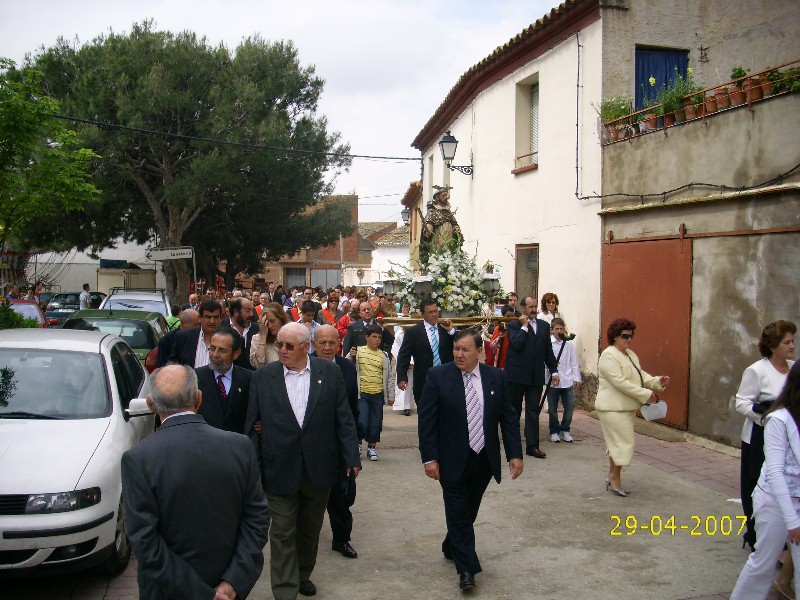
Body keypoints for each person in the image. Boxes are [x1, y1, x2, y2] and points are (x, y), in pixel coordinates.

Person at [121, 364, 269, 600]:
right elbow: (257, 519)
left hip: (168, 591)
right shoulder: (240, 447)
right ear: (199, 399)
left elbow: (145, 541)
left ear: (150, 404)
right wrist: (232, 583)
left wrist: (201, 594)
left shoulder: (138, 459)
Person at [245, 322, 361, 600]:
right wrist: (254, 468)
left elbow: (343, 417)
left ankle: (302, 573)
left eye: (288, 346)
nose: (282, 350)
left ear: (305, 348)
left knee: (309, 529)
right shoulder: (263, 378)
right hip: (278, 467)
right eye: (279, 345)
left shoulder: (329, 373)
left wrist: (352, 457)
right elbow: (251, 427)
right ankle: (285, 590)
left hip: (319, 466)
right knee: (283, 532)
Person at [418, 329, 523, 591]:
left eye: (465, 349)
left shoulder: (496, 378)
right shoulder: (438, 376)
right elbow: (427, 422)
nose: (459, 354)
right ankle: (467, 569)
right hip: (450, 459)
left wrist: (514, 454)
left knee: (467, 511)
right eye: (456, 348)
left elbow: (508, 418)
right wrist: (429, 457)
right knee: (458, 511)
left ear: (480, 352)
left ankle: (450, 544)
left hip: (483, 460)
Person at [731, 361, 800, 600]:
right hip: (775, 500)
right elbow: (775, 472)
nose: (791, 346)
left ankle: (783, 584)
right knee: (763, 562)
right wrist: (792, 521)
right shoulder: (779, 420)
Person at [736, 320, 797, 551]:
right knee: (757, 485)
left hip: (790, 437)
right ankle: (756, 536)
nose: (792, 346)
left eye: (793, 341)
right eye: (786, 342)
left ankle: (784, 540)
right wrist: (766, 417)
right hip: (760, 436)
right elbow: (742, 403)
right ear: (773, 346)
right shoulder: (757, 370)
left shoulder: (794, 369)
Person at [596, 318, 669, 496]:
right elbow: (619, 382)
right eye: (624, 336)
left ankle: (612, 475)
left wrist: (656, 381)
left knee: (618, 444)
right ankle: (615, 476)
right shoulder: (608, 355)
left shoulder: (630, 354)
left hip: (625, 408)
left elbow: (639, 374)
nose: (628, 339)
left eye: (631, 336)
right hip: (612, 408)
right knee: (624, 444)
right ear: (615, 336)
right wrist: (645, 394)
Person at [315, 325, 362, 560]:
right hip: (312, 445)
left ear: (339, 345)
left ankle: (341, 539)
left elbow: (353, 410)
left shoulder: (347, 368)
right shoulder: (304, 367)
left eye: (331, 343)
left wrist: (354, 449)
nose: (327, 347)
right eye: (322, 342)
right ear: (313, 345)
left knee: (341, 497)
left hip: (340, 443)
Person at [504, 296, 559, 459]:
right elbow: (517, 344)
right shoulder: (514, 325)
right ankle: (512, 444)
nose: (533, 310)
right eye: (530, 307)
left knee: (533, 411)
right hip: (516, 376)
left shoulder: (543, 326)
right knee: (513, 411)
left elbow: (547, 350)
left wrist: (554, 371)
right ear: (523, 308)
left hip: (535, 376)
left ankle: (532, 446)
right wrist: (525, 326)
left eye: (535, 307)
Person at [396, 298, 455, 406]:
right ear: (422, 314)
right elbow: (404, 355)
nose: (434, 315)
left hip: (446, 381)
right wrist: (401, 377)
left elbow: (458, 345)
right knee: (426, 417)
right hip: (424, 383)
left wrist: (451, 331)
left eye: (436, 311)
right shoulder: (414, 332)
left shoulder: (445, 330)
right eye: (430, 312)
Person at [195, 328, 253, 434]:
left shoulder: (249, 379)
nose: (215, 355)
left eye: (222, 350)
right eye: (212, 349)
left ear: (236, 353)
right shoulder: (195, 378)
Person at [352, 324, 394, 461]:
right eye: (374, 337)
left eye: (379, 337)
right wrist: (351, 356)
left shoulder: (383, 356)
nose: (377, 340)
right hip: (362, 393)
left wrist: (391, 395)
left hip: (377, 393)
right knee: (362, 420)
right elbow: (347, 364)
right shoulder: (358, 352)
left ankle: (372, 447)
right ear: (367, 337)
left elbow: (389, 377)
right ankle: (358, 443)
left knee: (376, 422)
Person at [546, 318, 581, 444]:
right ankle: (554, 431)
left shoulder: (568, 343)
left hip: (567, 379)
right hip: (553, 380)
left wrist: (576, 377)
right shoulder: (548, 343)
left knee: (569, 406)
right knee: (552, 408)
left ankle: (565, 429)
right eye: (557, 329)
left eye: (561, 329)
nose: (559, 331)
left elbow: (573, 361)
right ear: (552, 330)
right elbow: (546, 362)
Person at [170, 299, 223, 368]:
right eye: (208, 317)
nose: (212, 321)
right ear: (199, 318)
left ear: (220, 318)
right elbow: (173, 365)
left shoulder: (229, 340)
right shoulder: (184, 337)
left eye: (215, 317)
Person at [250, 302, 289, 369]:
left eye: (272, 321)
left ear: (281, 320)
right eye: (266, 322)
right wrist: (263, 337)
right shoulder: (257, 338)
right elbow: (258, 364)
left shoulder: (290, 336)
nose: (269, 326)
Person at [223, 297, 257, 370]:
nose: (252, 314)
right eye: (248, 311)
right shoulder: (221, 327)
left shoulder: (258, 329)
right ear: (236, 312)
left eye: (252, 310)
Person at [392, 304, 414, 416]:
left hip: (412, 363)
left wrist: (412, 361)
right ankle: (401, 405)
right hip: (402, 362)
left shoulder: (413, 334)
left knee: (410, 385)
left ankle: (408, 406)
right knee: (402, 383)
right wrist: (405, 362)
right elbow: (396, 349)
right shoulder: (399, 335)